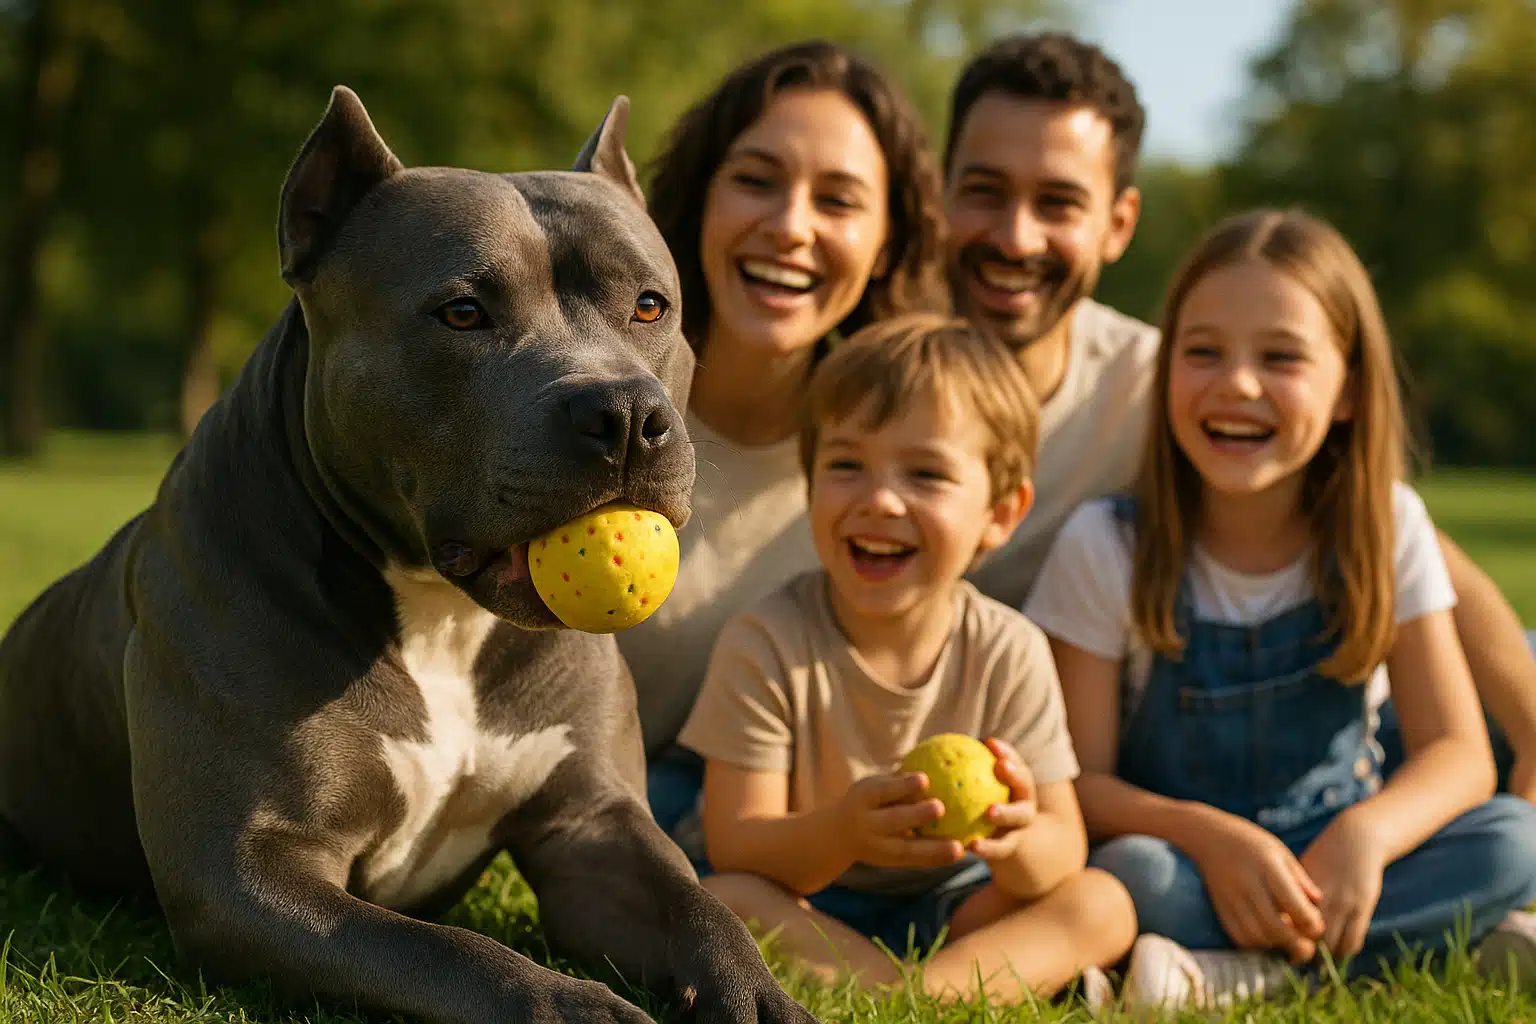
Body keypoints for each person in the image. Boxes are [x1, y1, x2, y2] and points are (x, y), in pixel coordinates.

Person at [940, 30, 1536, 810]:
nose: (1016, 236)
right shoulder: (875, 387)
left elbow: (1381, 524)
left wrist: (1531, 729)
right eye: (985, 191)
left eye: (1057, 202)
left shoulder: (1173, 381)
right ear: (935, 193)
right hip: (1048, 768)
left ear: (1119, 224)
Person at [1025, 207, 1536, 1011]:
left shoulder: (1386, 525)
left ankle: (1228, 976)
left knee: (1512, 842)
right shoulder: (1106, 545)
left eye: (1282, 356)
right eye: (1202, 352)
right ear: (1165, 381)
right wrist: (1208, 835)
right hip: (1189, 861)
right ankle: (1421, 943)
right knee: (1128, 879)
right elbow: (1082, 782)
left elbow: (1459, 752)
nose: (1237, 383)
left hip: (1339, 856)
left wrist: (1367, 837)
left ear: (1348, 392)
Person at [674, 314, 1136, 1003]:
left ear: (1001, 514)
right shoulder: (768, 641)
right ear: (810, 484)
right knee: (723, 899)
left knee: (1104, 902)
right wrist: (846, 830)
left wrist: (1014, 842)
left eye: (925, 473)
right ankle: (911, 995)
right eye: (846, 465)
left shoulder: (1008, 649)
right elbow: (740, 843)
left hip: (953, 906)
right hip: (810, 901)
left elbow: (1062, 845)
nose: (880, 499)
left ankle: (917, 992)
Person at [618, 41, 949, 829]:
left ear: (885, 249)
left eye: (838, 201)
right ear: (700, 201)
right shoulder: (596, 408)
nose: (790, 226)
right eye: (756, 182)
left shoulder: (894, 481)